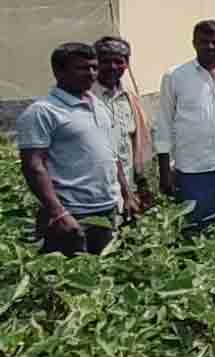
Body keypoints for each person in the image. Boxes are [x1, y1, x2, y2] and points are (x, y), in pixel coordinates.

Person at [17, 43, 132, 255]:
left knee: (103, 278)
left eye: (94, 68)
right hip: (71, 214)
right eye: (82, 68)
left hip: (105, 209)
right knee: (67, 281)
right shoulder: (43, 112)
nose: (91, 74)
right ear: (58, 71)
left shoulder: (97, 104)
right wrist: (58, 213)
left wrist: (126, 194)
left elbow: (111, 153)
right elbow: (33, 166)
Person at [154, 20, 215, 227]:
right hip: (192, 169)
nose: (210, 47)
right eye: (204, 42)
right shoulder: (176, 76)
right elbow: (164, 122)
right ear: (193, 43)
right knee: (196, 229)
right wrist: (164, 172)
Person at [92, 36, 152, 216]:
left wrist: (142, 185)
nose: (112, 67)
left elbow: (138, 144)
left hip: (130, 191)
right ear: (95, 63)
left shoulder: (129, 98)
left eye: (119, 61)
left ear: (127, 64)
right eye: (105, 61)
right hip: (98, 193)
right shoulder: (86, 98)